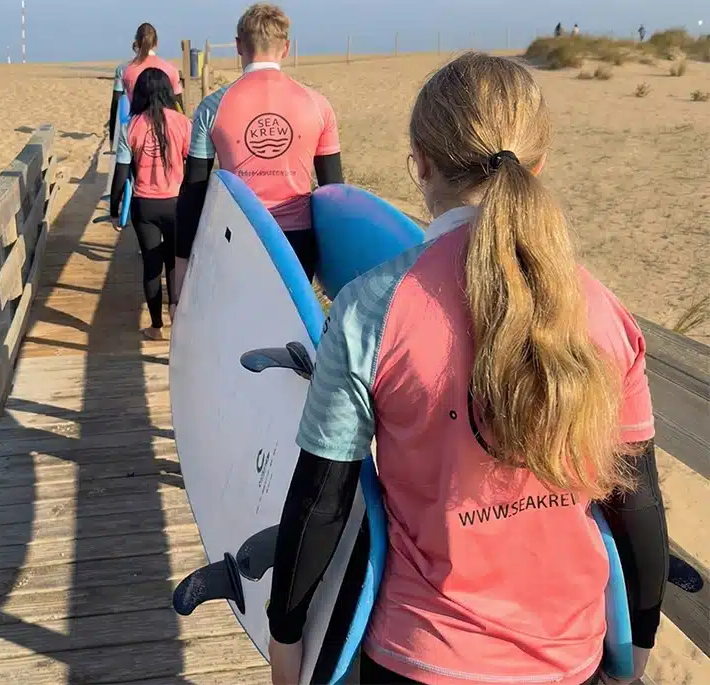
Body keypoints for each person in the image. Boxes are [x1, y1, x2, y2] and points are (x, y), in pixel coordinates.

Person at [265, 52, 668, 685]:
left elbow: (321, 499)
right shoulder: (604, 312)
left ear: (421, 163)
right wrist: (638, 639)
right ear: (540, 163)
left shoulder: (370, 307)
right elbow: (636, 499)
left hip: (421, 656)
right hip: (572, 657)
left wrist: (286, 637)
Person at [174, 2, 344, 297]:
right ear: (286, 47)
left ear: (239, 46)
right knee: (291, 333)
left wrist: (180, 271)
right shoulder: (318, 105)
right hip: (298, 242)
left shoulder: (212, 106)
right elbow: (335, 192)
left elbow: (193, 191)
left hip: (237, 237)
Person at [110, 68, 191, 341]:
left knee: (151, 265)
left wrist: (114, 210)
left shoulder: (130, 126)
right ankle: (176, 314)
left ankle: (156, 327)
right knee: (174, 262)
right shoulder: (182, 123)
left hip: (144, 205)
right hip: (176, 203)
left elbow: (121, 173)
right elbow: (193, 167)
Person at [109, 23, 183, 144]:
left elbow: (116, 104)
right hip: (167, 130)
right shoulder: (171, 69)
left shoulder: (124, 69)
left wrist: (112, 138)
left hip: (136, 129)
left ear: (136, 42)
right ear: (156, 43)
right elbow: (178, 105)